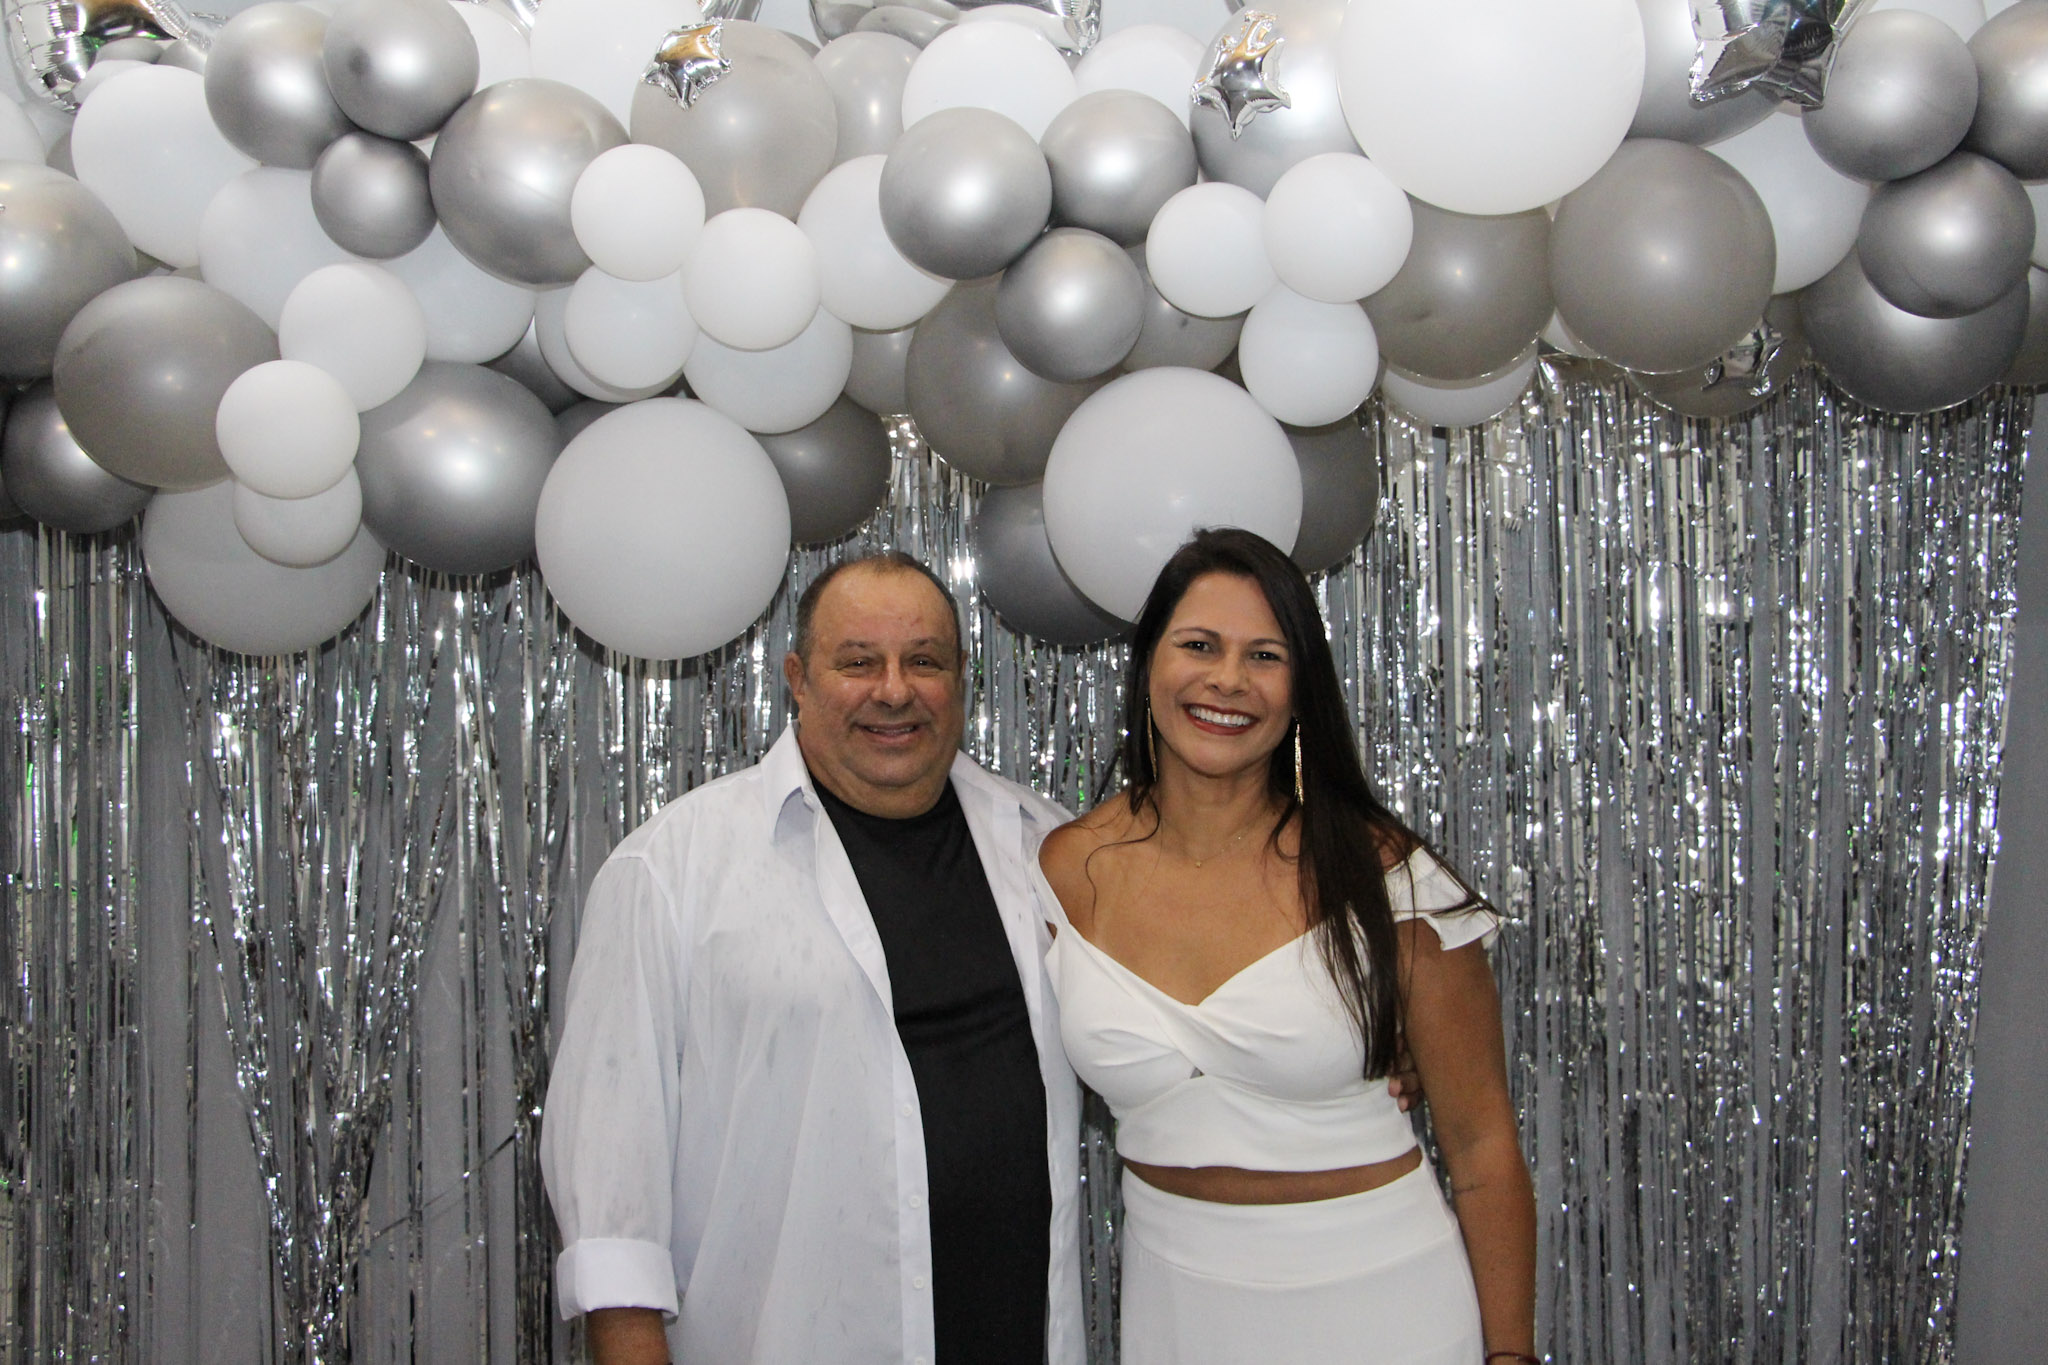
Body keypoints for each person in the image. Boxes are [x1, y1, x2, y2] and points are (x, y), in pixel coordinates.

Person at [539, 552, 1085, 1365]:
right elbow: (611, 1199)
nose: (893, 690)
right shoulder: (671, 868)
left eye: (924, 661)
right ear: (797, 678)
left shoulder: (1047, 848)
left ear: (960, 680)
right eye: (858, 662)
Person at [1036, 528, 1538, 1365]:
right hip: (1175, 1311)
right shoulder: (1064, 868)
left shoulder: (1386, 877)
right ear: (1148, 661)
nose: (1228, 679)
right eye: (1200, 645)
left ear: (1302, 687)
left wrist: (1512, 1356)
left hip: (1383, 1306)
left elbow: (1484, 1147)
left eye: (1264, 655)